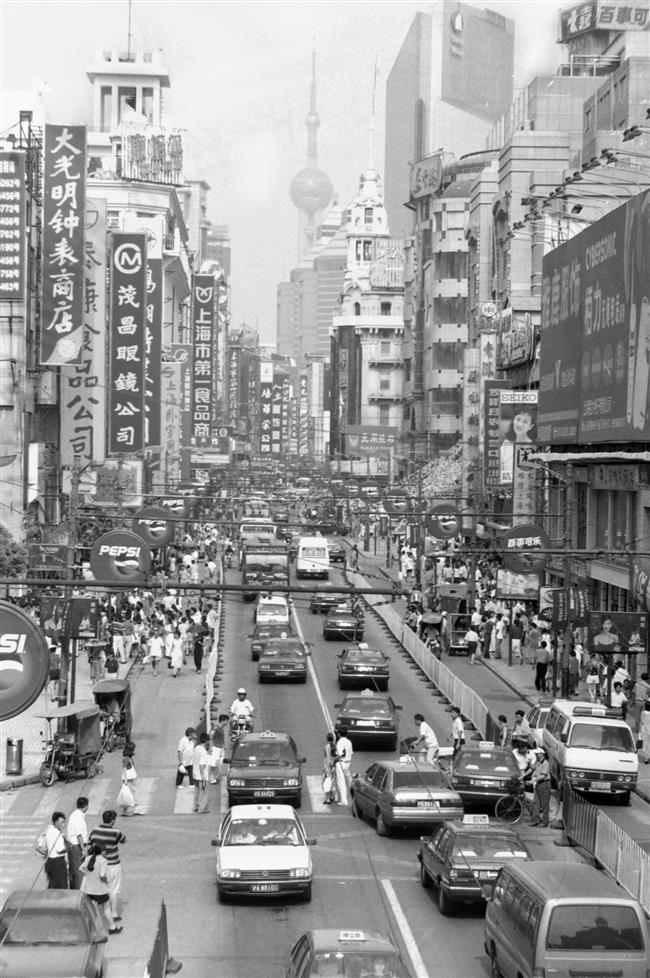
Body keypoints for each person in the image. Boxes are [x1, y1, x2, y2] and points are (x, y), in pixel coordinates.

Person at [89, 810, 126, 926]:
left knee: (102, 888)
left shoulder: (95, 830)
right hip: (113, 864)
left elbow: (90, 843)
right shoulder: (115, 832)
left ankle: (102, 913)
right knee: (113, 889)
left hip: (99, 864)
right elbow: (124, 840)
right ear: (113, 821)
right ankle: (114, 913)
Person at [79, 843, 120, 933]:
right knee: (106, 908)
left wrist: (89, 874)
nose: (105, 852)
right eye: (105, 850)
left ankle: (91, 930)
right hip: (100, 890)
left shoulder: (89, 858)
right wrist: (106, 881)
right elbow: (102, 875)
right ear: (102, 851)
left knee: (91, 909)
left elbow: (81, 868)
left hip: (88, 890)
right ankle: (112, 927)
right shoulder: (103, 860)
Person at [66, 796, 89, 889]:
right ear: (86, 806)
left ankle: (74, 891)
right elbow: (79, 835)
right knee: (79, 872)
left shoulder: (75, 815)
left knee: (74, 871)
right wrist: (83, 849)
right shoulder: (78, 817)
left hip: (74, 846)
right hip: (77, 847)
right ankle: (78, 893)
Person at [44, 811, 69, 889]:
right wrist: (68, 849)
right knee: (62, 887)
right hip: (58, 863)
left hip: (50, 862)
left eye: (64, 822)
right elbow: (60, 849)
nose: (63, 825)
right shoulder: (57, 833)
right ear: (55, 822)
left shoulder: (49, 830)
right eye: (61, 822)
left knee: (52, 885)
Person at [530, 748, 552, 827]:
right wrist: (532, 776)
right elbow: (535, 771)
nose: (537, 755)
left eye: (538, 754)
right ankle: (535, 820)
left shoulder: (546, 763)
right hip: (538, 784)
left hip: (544, 784)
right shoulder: (538, 762)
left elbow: (543, 776)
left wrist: (534, 780)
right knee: (536, 803)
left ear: (542, 754)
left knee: (544, 804)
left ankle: (544, 822)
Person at [192, 732, 210, 813]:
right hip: (202, 775)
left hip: (195, 774)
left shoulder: (196, 748)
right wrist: (203, 776)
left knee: (196, 791)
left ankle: (195, 807)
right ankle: (201, 809)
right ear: (206, 741)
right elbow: (201, 764)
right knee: (204, 792)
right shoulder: (203, 751)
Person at [208, 715, 228, 784]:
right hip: (215, 748)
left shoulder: (221, 728)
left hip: (221, 749)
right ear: (222, 721)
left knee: (219, 764)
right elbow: (210, 737)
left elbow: (221, 739)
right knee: (214, 764)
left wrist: (224, 747)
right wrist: (210, 748)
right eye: (226, 721)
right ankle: (211, 778)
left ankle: (216, 778)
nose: (227, 723)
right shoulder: (215, 728)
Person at [335, 731, 353, 805]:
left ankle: (344, 800)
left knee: (341, 782)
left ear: (339, 734)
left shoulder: (340, 742)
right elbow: (351, 753)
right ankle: (352, 795)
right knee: (349, 780)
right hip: (348, 763)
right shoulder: (349, 742)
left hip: (341, 763)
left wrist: (334, 760)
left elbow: (340, 754)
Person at [322, 731, 338, 804]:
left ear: (327, 739)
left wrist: (324, 767)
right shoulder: (334, 746)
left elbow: (326, 757)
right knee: (332, 781)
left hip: (327, 765)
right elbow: (335, 756)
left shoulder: (326, 747)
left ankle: (327, 799)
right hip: (333, 765)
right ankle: (332, 797)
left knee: (326, 782)